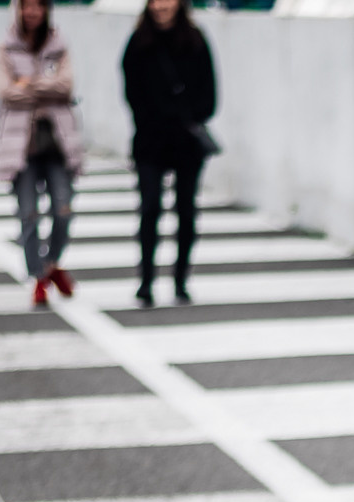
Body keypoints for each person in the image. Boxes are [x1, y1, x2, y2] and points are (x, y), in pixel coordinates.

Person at [120, 0, 212, 308]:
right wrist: (156, 119)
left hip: (186, 141)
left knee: (186, 210)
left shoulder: (196, 39)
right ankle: (146, 281)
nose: (162, 6)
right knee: (150, 208)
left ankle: (181, 280)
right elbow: (132, 94)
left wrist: (186, 117)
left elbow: (209, 96)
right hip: (151, 141)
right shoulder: (138, 42)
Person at [0, 0, 81, 308]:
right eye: (26, 6)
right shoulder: (6, 47)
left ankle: (52, 264)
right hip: (22, 146)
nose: (31, 12)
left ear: (46, 10)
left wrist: (28, 84)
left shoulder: (58, 44)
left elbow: (67, 86)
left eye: (37, 6)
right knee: (28, 215)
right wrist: (46, 88)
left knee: (63, 210)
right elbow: (5, 92)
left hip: (56, 143)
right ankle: (39, 278)